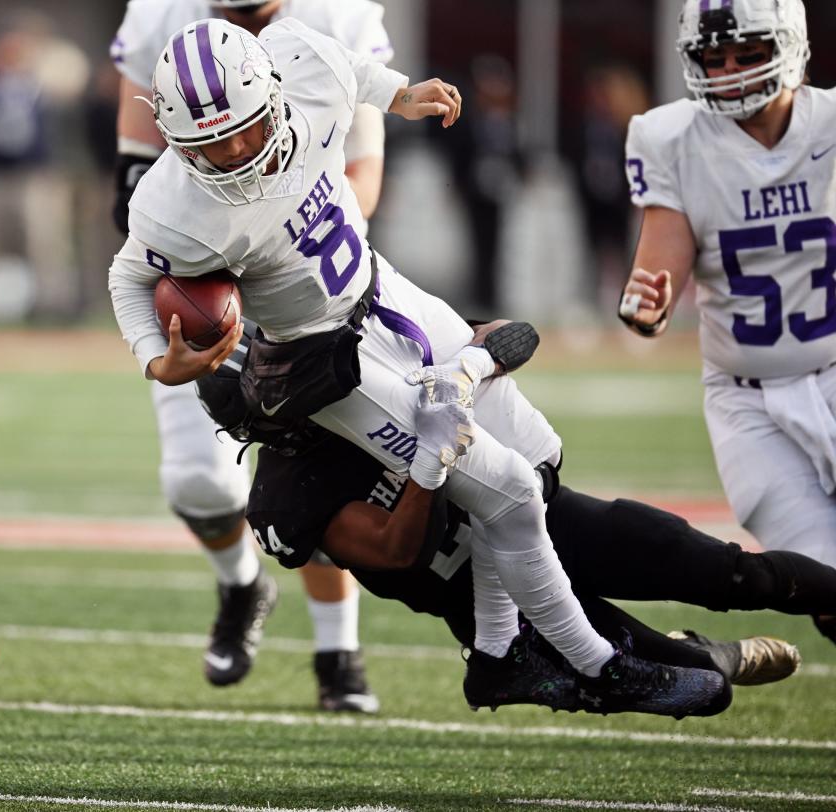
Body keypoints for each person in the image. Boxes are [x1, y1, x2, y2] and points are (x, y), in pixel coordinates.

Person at [110, 16, 730, 717]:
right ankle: (603, 666)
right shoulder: (170, 206)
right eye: (208, 144)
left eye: (242, 130)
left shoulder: (300, 57)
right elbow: (126, 277)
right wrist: (158, 361)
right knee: (507, 488)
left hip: (385, 292)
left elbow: (346, 70)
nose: (229, 152)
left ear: (272, 92)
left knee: (535, 458)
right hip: (325, 357)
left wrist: (399, 94)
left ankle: (499, 654)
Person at [195, 325, 827, 715]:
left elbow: (503, 332)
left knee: (731, 572)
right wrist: (428, 464)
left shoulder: (362, 371)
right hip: (497, 602)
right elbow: (394, 552)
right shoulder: (284, 500)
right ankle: (704, 656)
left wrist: (470, 364)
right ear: (259, 423)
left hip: (551, 520)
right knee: (698, 683)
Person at [108, 0, 392, 711]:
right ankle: (241, 583)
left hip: (305, 275)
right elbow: (133, 182)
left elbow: (361, 175)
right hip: (207, 275)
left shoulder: (339, 19)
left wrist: (274, 253)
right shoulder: (158, 16)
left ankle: (339, 654)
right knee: (200, 487)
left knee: (322, 462)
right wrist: (205, 273)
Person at [619, 0, 835, 644]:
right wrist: (648, 306)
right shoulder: (668, 137)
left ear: (791, 44)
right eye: (715, 58)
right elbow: (660, 271)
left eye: (748, 54)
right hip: (750, 407)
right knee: (825, 590)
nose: (732, 71)